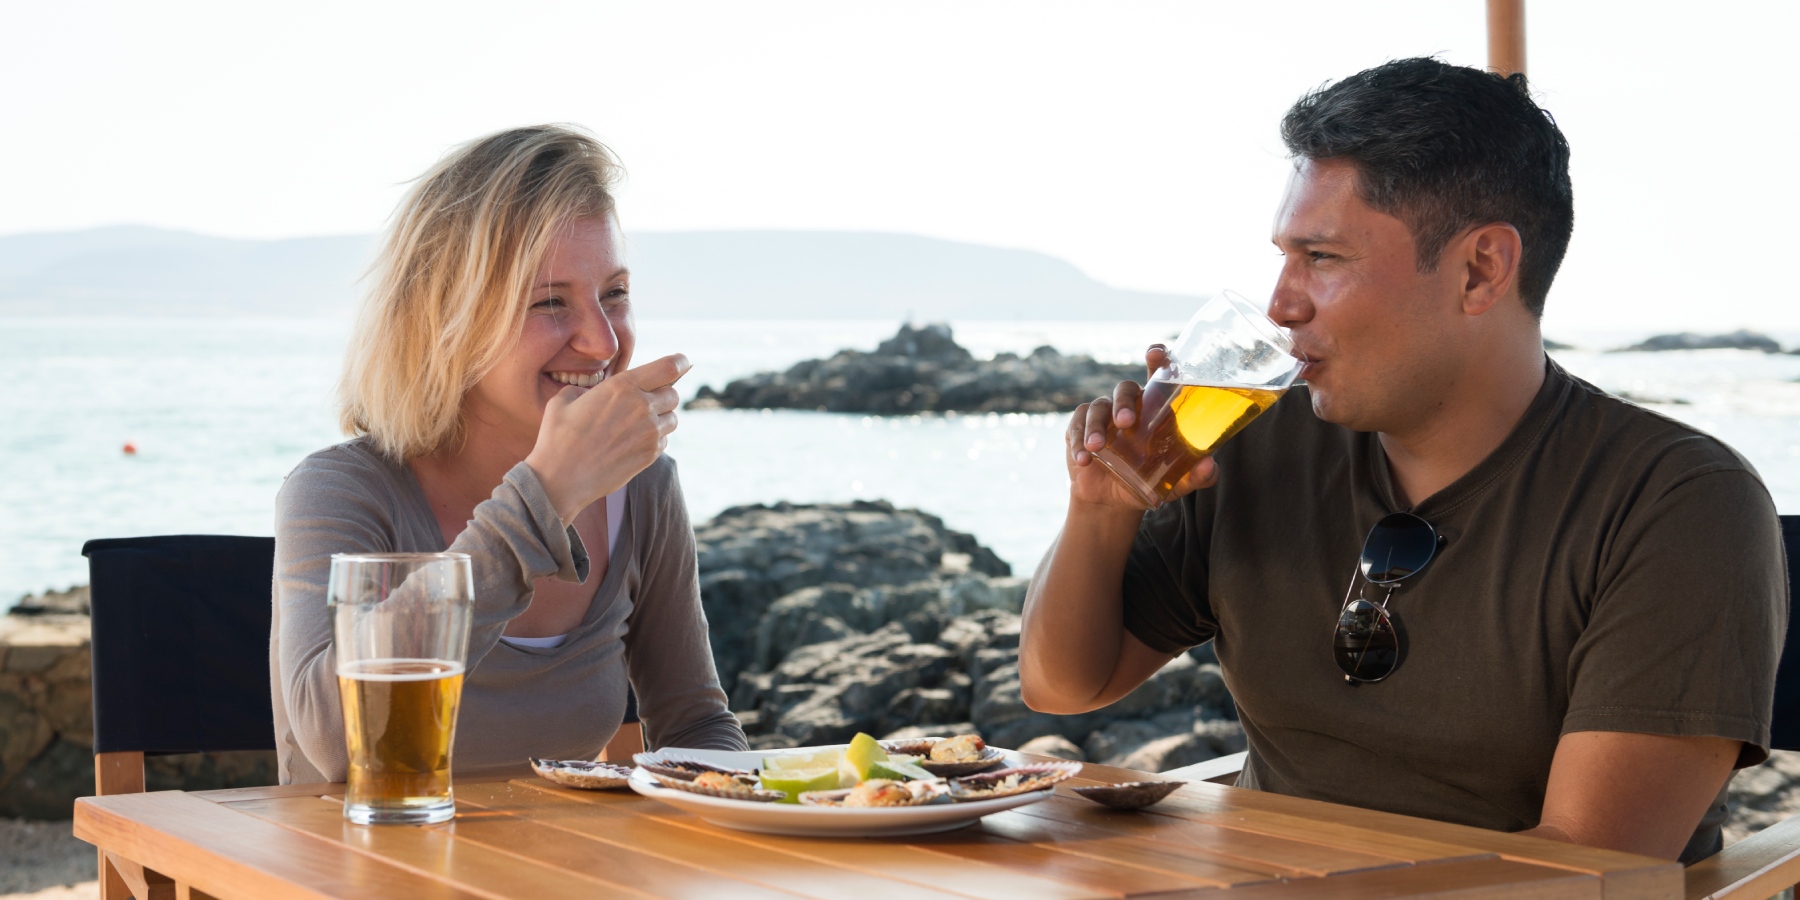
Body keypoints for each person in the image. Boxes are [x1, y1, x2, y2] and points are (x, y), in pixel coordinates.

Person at [1019, 58, 1785, 864]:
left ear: (1480, 269)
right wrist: (1101, 511)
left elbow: (1585, 867)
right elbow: (1065, 685)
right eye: (1283, 256)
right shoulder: (1254, 447)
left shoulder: (1679, 504)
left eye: (1321, 257)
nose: (1280, 303)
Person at [270, 125, 747, 784]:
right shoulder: (341, 490)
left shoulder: (643, 489)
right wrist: (545, 496)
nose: (603, 342)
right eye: (551, 303)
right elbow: (335, 736)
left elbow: (695, 724)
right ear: (448, 322)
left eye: (614, 294)